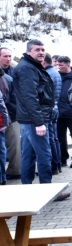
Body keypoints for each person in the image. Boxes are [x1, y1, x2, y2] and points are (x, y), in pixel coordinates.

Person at [15, 40, 69, 200]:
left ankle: (27, 189)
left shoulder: (31, 66)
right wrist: (39, 122)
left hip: (30, 118)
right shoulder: (27, 68)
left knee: (28, 154)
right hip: (34, 119)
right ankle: (47, 192)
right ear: (28, 51)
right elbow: (30, 97)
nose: (41, 52)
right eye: (37, 49)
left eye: (43, 49)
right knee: (44, 153)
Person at [0, 47, 20, 181]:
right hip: (4, 114)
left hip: (12, 114)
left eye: (9, 56)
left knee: (14, 146)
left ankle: (15, 170)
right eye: (5, 56)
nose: (8, 59)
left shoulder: (14, 73)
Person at [43, 53, 62, 175]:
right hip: (55, 108)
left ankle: (54, 166)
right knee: (54, 138)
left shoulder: (48, 74)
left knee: (50, 138)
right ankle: (57, 164)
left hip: (49, 109)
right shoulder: (55, 73)